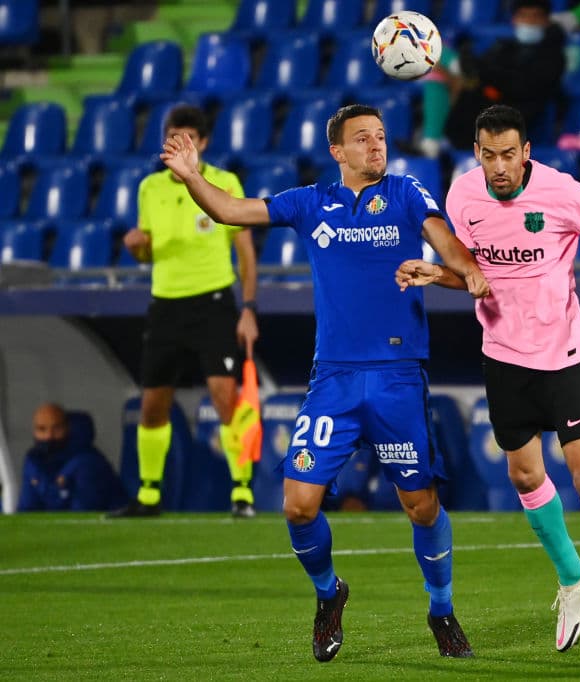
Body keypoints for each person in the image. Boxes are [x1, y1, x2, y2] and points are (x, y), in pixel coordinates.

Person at [157, 103, 488, 662]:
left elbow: (445, 240)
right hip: (333, 379)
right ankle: (329, 594)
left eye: (381, 137)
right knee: (297, 506)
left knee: (422, 507)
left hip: (396, 377)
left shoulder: (407, 193)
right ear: (337, 151)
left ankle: (441, 607)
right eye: (363, 139)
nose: (376, 146)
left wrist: (467, 268)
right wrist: (193, 178)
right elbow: (234, 210)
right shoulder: (311, 202)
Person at [396, 104, 580, 662]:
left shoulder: (564, 193)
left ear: (526, 151)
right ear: (478, 154)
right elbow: (477, 280)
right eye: (489, 156)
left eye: (509, 154)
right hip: (504, 359)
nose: (500, 167)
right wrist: (435, 273)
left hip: (563, 355)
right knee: (525, 474)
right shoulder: (463, 197)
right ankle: (572, 578)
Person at [109, 104, 260, 519]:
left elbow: (245, 253)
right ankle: (148, 495)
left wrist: (248, 307)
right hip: (166, 305)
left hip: (213, 302)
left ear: (204, 143)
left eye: (187, 139)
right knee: (153, 402)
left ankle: (242, 492)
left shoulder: (224, 182)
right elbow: (146, 253)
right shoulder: (149, 188)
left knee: (223, 395)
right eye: (172, 138)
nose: (178, 146)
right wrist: (137, 247)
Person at [420, 0, 565, 155]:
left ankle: (432, 145)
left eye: (536, 17)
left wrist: (478, 79)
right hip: (481, 109)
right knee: (437, 74)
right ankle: (432, 144)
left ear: (547, 21)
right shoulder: (506, 47)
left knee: (453, 78)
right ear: (514, 20)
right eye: (524, 16)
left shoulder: (553, 56)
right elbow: (485, 70)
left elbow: (522, 88)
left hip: (510, 121)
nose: (529, 22)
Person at [17, 404, 126, 512]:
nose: (49, 436)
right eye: (41, 429)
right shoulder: (34, 461)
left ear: (68, 428)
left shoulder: (88, 462)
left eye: (56, 428)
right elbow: (27, 509)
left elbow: (83, 514)